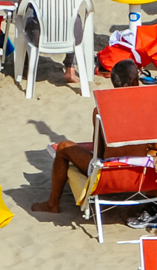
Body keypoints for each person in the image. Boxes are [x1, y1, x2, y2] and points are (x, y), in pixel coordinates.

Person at [31, 60, 140, 213]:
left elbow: (98, 152)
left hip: (109, 174)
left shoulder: (101, 110)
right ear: (135, 81)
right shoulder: (148, 108)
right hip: (140, 174)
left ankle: (52, 204)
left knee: (63, 147)